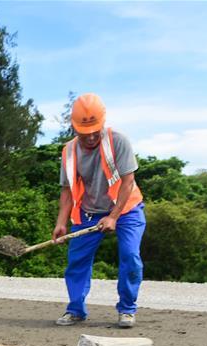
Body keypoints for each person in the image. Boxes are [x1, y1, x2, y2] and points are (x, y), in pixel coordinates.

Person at [52, 93, 146, 328]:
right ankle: (75, 310)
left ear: (103, 123)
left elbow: (127, 181)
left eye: (96, 130)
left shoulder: (119, 141)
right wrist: (61, 222)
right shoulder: (69, 152)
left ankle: (126, 309)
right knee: (77, 262)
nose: (91, 136)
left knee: (130, 256)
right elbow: (67, 191)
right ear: (74, 128)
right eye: (85, 133)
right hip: (89, 212)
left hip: (126, 210)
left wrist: (113, 216)